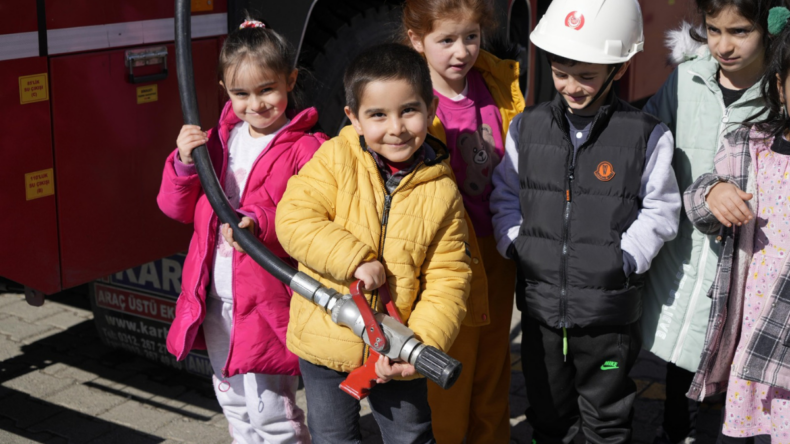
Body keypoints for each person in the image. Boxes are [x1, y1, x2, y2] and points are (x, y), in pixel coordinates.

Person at [490, 0, 681, 442]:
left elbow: (662, 208)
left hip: (608, 314)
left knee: (606, 418)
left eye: (587, 76)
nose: (571, 87)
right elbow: (505, 193)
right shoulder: (526, 127)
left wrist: (626, 258)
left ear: (619, 67)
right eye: (560, 73)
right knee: (547, 413)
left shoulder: (646, 134)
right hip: (540, 307)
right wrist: (516, 243)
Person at [274, 43, 472, 444]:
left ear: (431, 109)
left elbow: (449, 277)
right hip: (325, 337)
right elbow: (293, 219)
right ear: (355, 118)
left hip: (398, 346)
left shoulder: (442, 191)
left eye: (409, 110)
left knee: (411, 435)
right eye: (378, 114)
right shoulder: (334, 159)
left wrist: (419, 345)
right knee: (332, 435)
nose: (396, 127)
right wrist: (354, 260)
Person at [156, 19, 325, 444]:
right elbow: (176, 208)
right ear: (224, 90)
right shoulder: (217, 142)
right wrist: (183, 163)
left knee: (272, 412)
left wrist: (260, 223)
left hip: (266, 301)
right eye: (241, 94)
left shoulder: (307, 148)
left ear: (290, 81)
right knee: (232, 401)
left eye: (267, 89)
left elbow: (316, 218)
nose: (256, 104)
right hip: (216, 296)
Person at [641, 1, 777, 442]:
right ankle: (674, 431)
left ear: (768, 28)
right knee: (681, 358)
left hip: (747, 263)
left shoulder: (778, 92)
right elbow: (650, 152)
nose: (723, 45)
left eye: (739, 31)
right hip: (682, 256)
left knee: (730, 364)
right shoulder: (686, 79)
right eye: (714, 30)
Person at [402, 0, 525, 440]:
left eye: (471, 37)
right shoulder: (408, 102)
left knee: (493, 366)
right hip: (446, 261)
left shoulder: (495, 83)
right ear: (417, 40)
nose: (462, 51)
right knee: (449, 372)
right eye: (447, 40)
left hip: (497, 251)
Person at [684, 7, 790, 443]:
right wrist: (713, 192)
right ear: (780, 85)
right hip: (750, 340)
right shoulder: (751, 145)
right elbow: (698, 201)